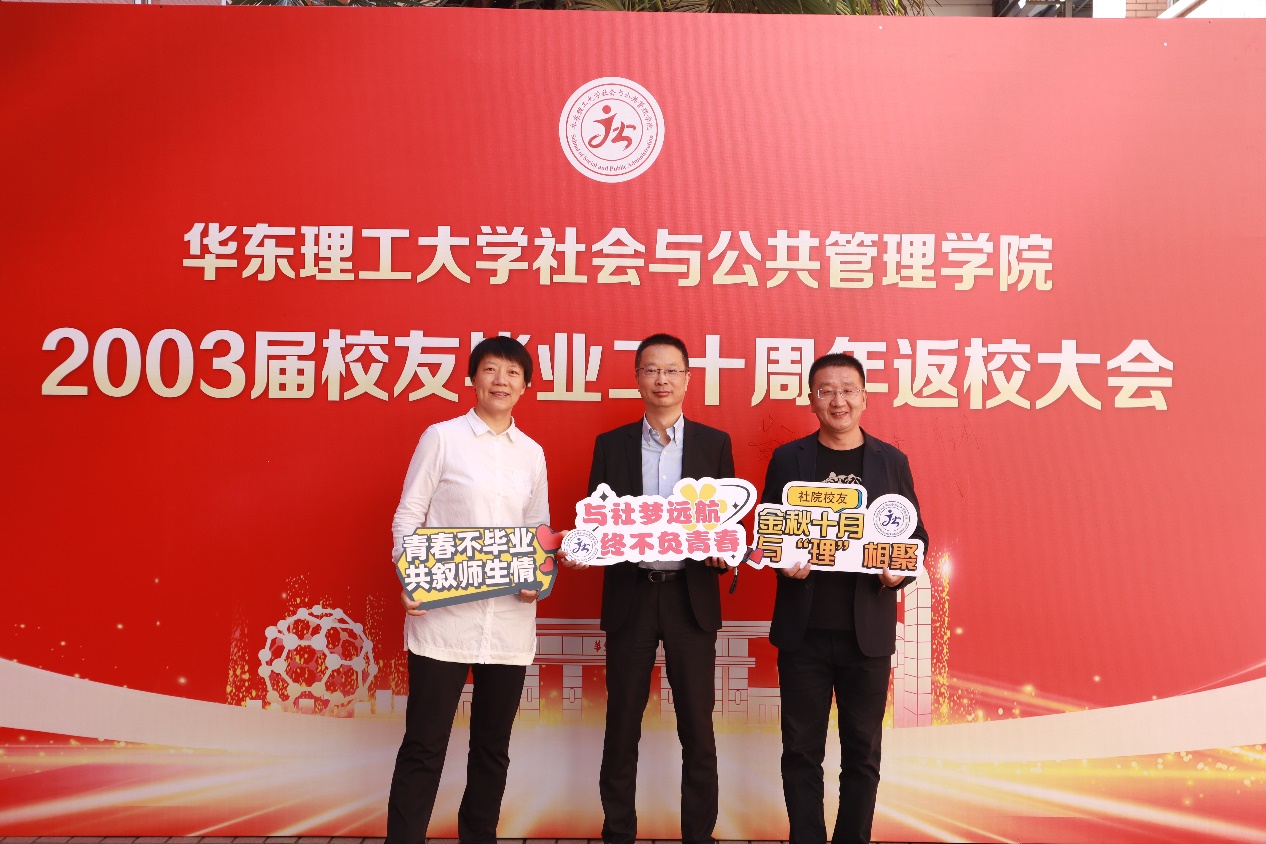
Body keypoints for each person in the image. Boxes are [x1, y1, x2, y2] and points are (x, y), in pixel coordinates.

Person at [561, 333, 734, 844]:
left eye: (672, 370)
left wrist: (723, 553)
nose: (662, 379)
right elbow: (596, 523)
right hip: (631, 595)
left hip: (690, 597)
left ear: (688, 379)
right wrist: (583, 546)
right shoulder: (610, 445)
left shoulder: (714, 444)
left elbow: (725, 525)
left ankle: (699, 836)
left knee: (698, 729)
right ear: (637, 378)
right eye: (651, 370)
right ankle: (618, 833)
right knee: (621, 727)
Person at [385, 336, 548, 844]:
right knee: (424, 744)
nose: (501, 380)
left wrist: (536, 579)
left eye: (513, 373)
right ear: (472, 379)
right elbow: (409, 516)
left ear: (525, 386)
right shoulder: (442, 438)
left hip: (507, 622)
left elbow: (538, 530)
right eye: (491, 370)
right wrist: (410, 576)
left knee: (492, 749)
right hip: (444, 620)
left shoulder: (532, 454)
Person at [762, 352, 928, 844]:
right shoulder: (788, 459)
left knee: (862, 755)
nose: (838, 400)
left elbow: (916, 537)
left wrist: (896, 575)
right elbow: (771, 530)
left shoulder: (891, 462)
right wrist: (780, 559)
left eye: (848, 390)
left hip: (867, 635)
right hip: (803, 633)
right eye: (827, 391)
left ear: (864, 397)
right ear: (812, 399)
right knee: (800, 753)